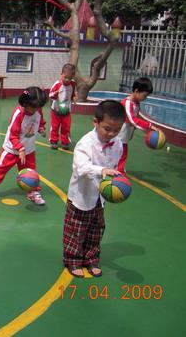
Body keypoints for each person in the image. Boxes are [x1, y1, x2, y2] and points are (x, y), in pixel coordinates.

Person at [63, 100, 125, 278]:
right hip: (81, 196)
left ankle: (91, 259)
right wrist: (102, 171)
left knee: (96, 229)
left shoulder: (117, 143)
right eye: (107, 129)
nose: (111, 134)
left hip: (100, 196)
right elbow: (81, 168)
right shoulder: (85, 143)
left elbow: (115, 166)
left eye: (116, 130)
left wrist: (117, 180)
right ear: (95, 122)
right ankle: (73, 259)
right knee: (76, 229)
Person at [0, 86, 47, 205]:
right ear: (25, 103)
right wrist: (19, 148)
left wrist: (41, 128)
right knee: (0, 169)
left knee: (30, 172)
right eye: (33, 107)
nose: (36, 110)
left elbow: (40, 120)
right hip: (12, 149)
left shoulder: (37, 110)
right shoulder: (19, 114)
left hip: (29, 149)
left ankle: (32, 192)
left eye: (38, 107)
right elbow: (13, 135)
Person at [117, 77, 157, 172]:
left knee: (122, 154)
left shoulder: (136, 103)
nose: (145, 98)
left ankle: (119, 170)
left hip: (124, 136)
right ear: (136, 91)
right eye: (144, 95)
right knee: (119, 153)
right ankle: (119, 172)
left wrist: (133, 131)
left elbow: (136, 117)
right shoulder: (127, 103)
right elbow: (132, 120)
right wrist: (149, 125)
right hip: (118, 135)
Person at [49, 63, 77, 149]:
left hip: (66, 109)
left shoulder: (73, 84)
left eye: (70, 78)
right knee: (55, 126)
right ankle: (54, 141)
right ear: (61, 74)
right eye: (65, 77)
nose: (67, 80)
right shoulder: (57, 84)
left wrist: (74, 98)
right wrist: (55, 94)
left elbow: (72, 93)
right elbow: (50, 95)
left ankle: (65, 142)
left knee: (66, 127)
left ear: (73, 76)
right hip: (56, 109)